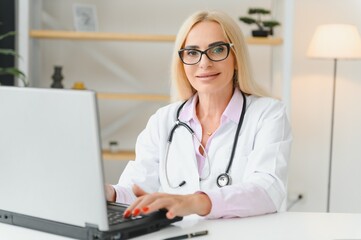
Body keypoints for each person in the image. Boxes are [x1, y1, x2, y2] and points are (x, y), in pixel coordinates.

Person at [105, 10, 292, 220]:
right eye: (192, 53)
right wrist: (109, 193)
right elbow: (137, 190)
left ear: (236, 57)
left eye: (217, 49)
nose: (204, 63)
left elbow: (267, 190)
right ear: (182, 62)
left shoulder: (268, 114)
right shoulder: (163, 120)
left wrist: (195, 202)